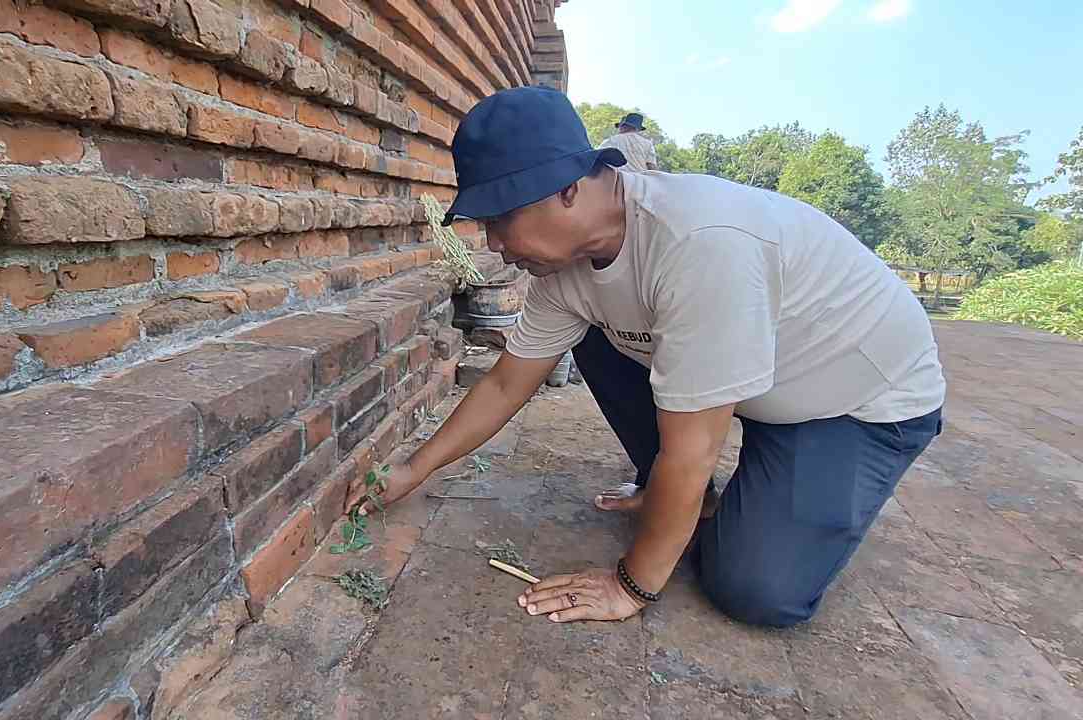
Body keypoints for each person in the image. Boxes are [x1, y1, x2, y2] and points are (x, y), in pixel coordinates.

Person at [344, 87, 945, 628]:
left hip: (851, 402)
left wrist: (631, 585)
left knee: (756, 591)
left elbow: (694, 447)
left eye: (500, 220)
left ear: (568, 189)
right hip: (752, 384)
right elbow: (506, 384)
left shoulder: (702, 245)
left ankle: (739, 497)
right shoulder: (563, 267)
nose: (493, 244)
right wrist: (413, 471)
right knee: (597, 338)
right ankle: (703, 501)